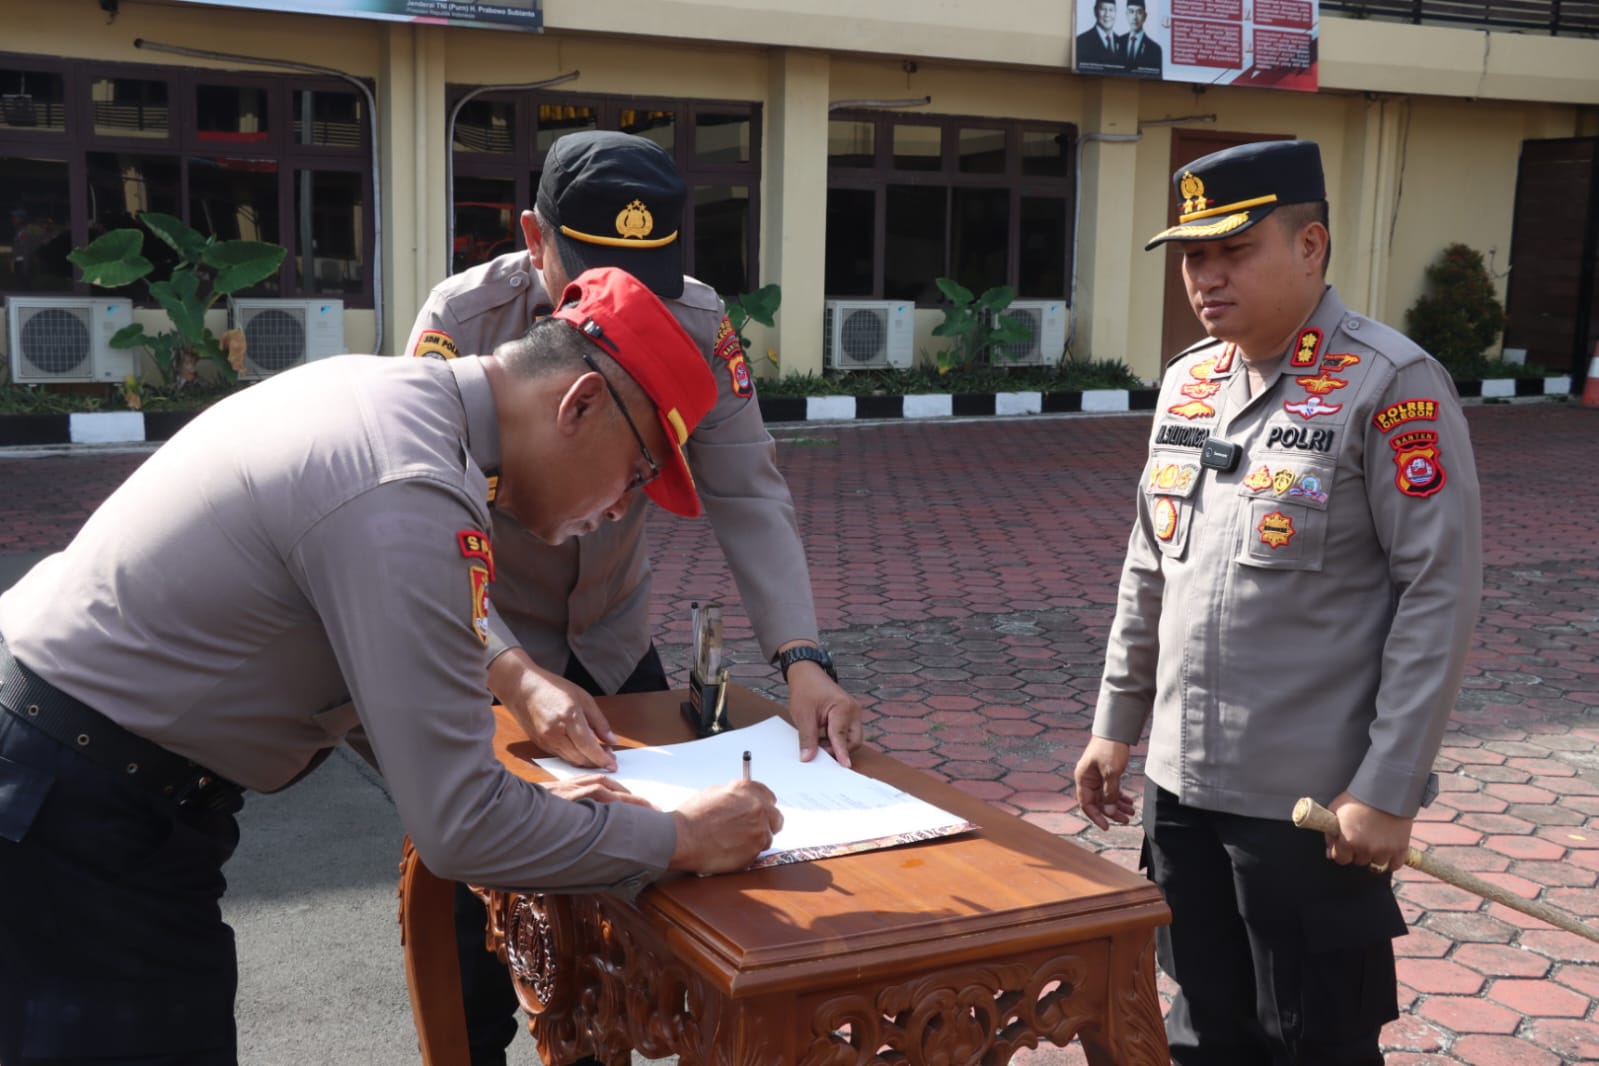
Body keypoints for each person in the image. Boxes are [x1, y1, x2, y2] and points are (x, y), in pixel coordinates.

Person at [0, 266, 784, 1065]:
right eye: (639, 471)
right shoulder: (409, 487)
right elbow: (460, 828)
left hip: (69, 781)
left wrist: (520, 799)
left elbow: (384, 694)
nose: (621, 508)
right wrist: (679, 835)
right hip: (73, 815)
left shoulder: (392, 406)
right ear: (578, 404)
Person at [408, 131, 864, 1063]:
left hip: (611, 640)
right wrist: (511, 672)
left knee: (647, 889)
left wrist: (802, 659)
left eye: (644, 281)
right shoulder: (465, 317)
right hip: (480, 639)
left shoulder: (696, 319)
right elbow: (414, 529)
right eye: (589, 272)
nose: (616, 301)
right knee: (470, 897)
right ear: (534, 238)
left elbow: (747, 492)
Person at [1073, 139, 1482, 1065]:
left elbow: (1437, 592)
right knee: (1202, 1028)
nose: (1206, 277)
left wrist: (1387, 788)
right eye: (1193, 257)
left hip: (1310, 807)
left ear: (1309, 246)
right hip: (1179, 788)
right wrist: (1114, 724)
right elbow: (1150, 562)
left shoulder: (1390, 383)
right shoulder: (1189, 380)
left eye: (1233, 250)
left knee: (1312, 1040)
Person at [1076, 0, 1126, 72]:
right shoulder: (1081, 41)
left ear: (1115, 12)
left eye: (1111, 10)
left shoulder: (1123, 42)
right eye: (1103, 9)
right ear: (1095, 11)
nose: (1107, 14)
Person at [1119, 0, 1163, 77]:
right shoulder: (1118, 42)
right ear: (1126, 15)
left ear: (1145, 16)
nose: (1134, 17)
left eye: (1139, 12)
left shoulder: (1155, 49)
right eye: (1131, 12)